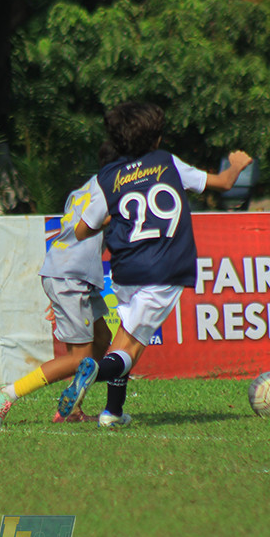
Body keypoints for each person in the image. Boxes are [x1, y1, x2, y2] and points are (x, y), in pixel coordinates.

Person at [58, 101, 253, 427]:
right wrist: (236, 164)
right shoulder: (166, 162)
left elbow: (81, 230)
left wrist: (107, 217)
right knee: (129, 350)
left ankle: (113, 413)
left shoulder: (109, 177)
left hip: (125, 270)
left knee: (124, 338)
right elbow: (224, 184)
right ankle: (91, 373)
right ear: (155, 140)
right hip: (163, 269)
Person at [0, 142, 117, 428]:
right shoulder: (111, 191)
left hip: (71, 274)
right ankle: (6, 394)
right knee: (78, 359)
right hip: (72, 276)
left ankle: (72, 409)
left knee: (102, 339)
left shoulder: (84, 189)